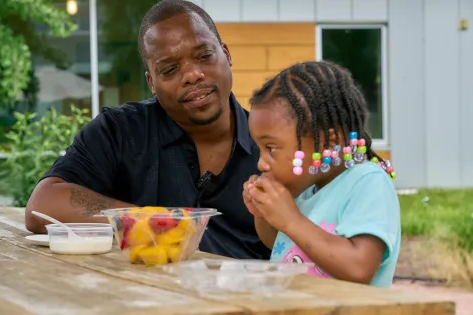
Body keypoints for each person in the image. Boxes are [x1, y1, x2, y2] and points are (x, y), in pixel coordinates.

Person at [25, 0, 271, 260]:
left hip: (248, 295)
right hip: (143, 294)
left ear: (227, 54)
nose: (192, 74)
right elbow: (43, 205)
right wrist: (154, 222)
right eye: (169, 69)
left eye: (204, 55)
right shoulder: (120, 131)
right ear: (152, 82)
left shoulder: (274, 146)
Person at [242, 60, 401, 287]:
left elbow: (359, 268)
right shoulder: (305, 186)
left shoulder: (368, 183)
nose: (261, 163)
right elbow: (276, 244)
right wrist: (263, 214)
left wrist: (290, 219)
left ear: (327, 142)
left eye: (271, 148)